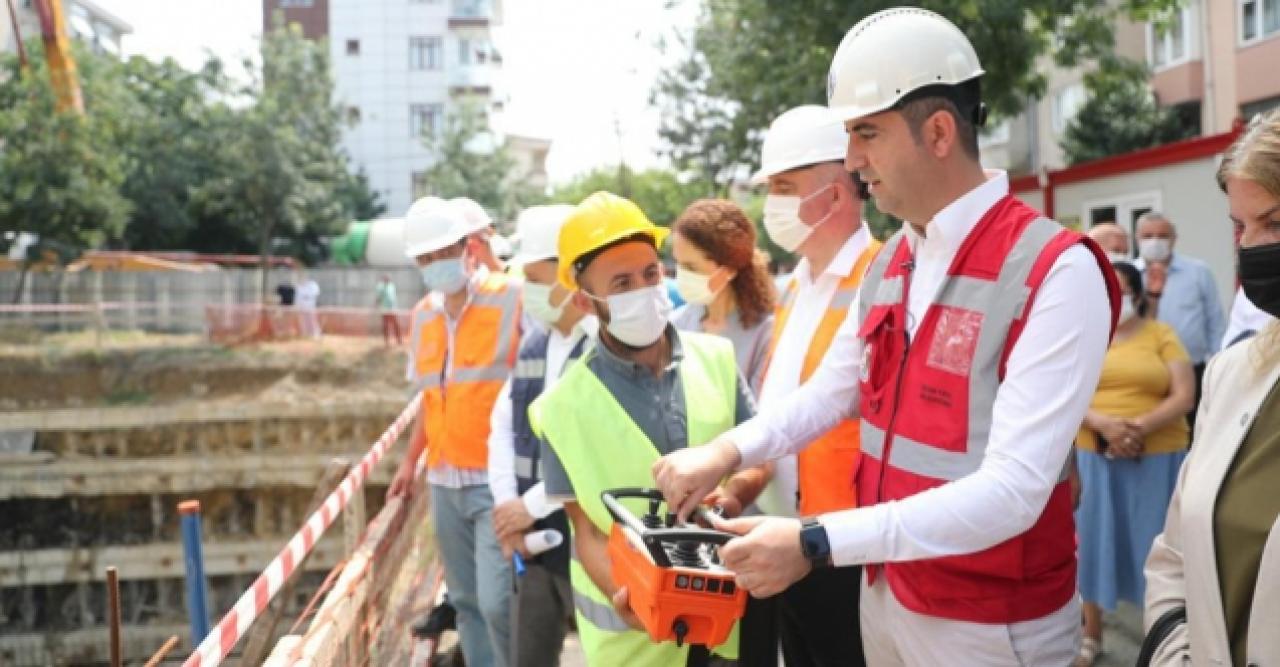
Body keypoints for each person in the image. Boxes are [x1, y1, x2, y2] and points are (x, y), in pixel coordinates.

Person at [651, 8, 1119, 665]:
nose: (850, 160)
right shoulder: (898, 260)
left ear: (936, 131)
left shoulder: (1056, 270)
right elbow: (829, 394)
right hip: (890, 592)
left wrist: (814, 541)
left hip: (989, 622)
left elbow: (1014, 491)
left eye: (866, 132)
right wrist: (723, 452)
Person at [527, 191, 767, 666]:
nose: (643, 289)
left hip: (731, 615)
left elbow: (762, 457)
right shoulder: (559, 408)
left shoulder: (717, 359)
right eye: (621, 283)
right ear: (584, 299)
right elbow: (587, 532)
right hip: (637, 643)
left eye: (650, 273)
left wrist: (734, 492)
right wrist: (637, 600)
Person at [748, 104, 884, 667]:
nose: (771, 204)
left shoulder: (880, 275)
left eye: (784, 187)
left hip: (846, 546)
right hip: (787, 539)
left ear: (834, 192)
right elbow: (783, 408)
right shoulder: (793, 287)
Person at [1144, 109, 1280, 666]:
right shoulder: (1235, 373)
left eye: (1273, 223)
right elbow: (1173, 559)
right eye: (1241, 227)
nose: (1251, 248)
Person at [387, 196, 520, 667]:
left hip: (496, 481)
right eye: (424, 259)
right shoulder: (424, 314)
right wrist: (409, 462)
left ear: (467, 247)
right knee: (465, 603)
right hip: (444, 481)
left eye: (442, 254)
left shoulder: (511, 298)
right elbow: (431, 396)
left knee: (498, 602)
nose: (434, 265)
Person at [1073, 261, 1194, 666]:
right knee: (1094, 544)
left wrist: (1134, 428)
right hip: (1096, 455)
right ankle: (1091, 633)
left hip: (1157, 456)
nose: (1115, 298)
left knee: (1158, 549)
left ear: (1138, 295)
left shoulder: (1161, 335)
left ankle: (1159, 638)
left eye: (1122, 290)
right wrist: (1104, 425)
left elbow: (1184, 394)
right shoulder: (1084, 333)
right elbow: (1064, 391)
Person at [486, 204, 588, 666]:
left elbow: (593, 453)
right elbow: (503, 426)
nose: (528, 288)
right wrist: (510, 507)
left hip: (589, 539)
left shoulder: (602, 349)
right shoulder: (536, 343)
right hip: (534, 539)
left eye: (536, 274)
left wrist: (526, 509)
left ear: (570, 275)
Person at [670, 199, 777, 393]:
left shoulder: (766, 331)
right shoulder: (676, 325)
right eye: (678, 264)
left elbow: (757, 410)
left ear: (728, 270)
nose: (681, 275)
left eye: (691, 267)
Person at [1133, 211, 1226, 426]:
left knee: (1196, 431)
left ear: (1174, 238)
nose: (1155, 241)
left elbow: (1214, 321)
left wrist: (1218, 364)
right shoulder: (1129, 275)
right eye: (1148, 236)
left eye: (1162, 235)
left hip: (1193, 369)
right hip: (1144, 372)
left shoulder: (1198, 272)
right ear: (1137, 238)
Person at [375, 274, 402, 347]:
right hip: (385, 308)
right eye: (386, 278)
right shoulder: (380, 287)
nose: (388, 279)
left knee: (396, 323)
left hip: (393, 308)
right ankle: (387, 341)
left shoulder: (391, 285)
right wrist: (377, 304)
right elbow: (378, 297)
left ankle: (399, 340)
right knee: (385, 324)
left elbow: (393, 296)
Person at [295, 274, 321, 339]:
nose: (301, 279)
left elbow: (316, 293)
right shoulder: (299, 286)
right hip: (301, 307)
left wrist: (306, 295)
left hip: (310, 306)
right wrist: (297, 305)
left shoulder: (312, 284)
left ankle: (315, 334)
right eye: (300, 277)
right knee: (303, 321)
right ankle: (305, 334)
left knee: (312, 320)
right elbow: (297, 297)